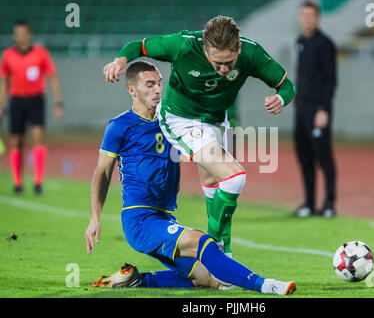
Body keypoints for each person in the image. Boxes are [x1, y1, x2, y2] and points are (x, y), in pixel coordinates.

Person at [85, 61, 296, 295]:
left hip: (165, 216)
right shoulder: (119, 126)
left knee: (205, 278)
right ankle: (266, 285)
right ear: (132, 90)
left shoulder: (172, 120)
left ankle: (135, 280)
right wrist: (95, 218)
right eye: (149, 85)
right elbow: (102, 173)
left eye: (159, 84)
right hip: (140, 219)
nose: (157, 90)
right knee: (202, 241)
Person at [103, 16, 296, 256]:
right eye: (217, 63)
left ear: (238, 48)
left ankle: (219, 257)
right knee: (234, 178)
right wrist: (120, 60)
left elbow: (287, 86)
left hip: (215, 120)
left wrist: (280, 99)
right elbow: (139, 46)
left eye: (229, 62)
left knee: (214, 184)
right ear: (205, 49)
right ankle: (217, 252)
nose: (224, 70)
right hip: (180, 118)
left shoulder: (251, 53)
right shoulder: (183, 45)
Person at [0, 20, 63, 194]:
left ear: (29, 34)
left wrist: (58, 103)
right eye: (16, 33)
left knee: (38, 137)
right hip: (16, 101)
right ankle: (17, 182)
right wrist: (1, 105)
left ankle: (38, 182)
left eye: (22, 33)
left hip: (36, 100)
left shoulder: (40, 53)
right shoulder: (8, 55)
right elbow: (4, 83)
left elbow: (52, 77)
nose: (19, 36)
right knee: (16, 142)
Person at [293, 1, 337, 218]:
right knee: (304, 156)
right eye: (304, 15)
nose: (307, 19)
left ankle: (329, 203)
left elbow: (330, 80)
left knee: (324, 157)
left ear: (318, 18)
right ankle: (309, 204)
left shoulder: (325, 44)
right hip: (301, 109)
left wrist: (323, 109)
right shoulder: (300, 41)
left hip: (317, 111)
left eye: (310, 15)